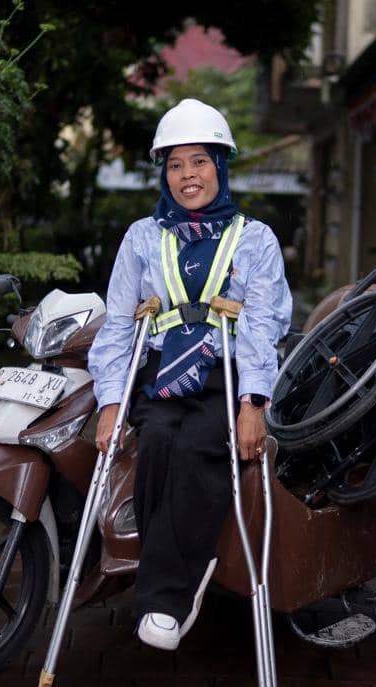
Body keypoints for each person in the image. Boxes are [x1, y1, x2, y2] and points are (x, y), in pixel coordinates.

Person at [88, 98, 292, 651]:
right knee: (155, 443)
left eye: (199, 161)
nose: (187, 175)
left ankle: (165, 599)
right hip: (162, 371)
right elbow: (117, 326)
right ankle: (179, 572)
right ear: (165, 174)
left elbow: (263, 325)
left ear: (220, 166)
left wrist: (254, 404)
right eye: (175, 165)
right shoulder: (143, 237)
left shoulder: (254, 239)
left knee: (199, 448)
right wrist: (111, 403)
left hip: (225, 374)